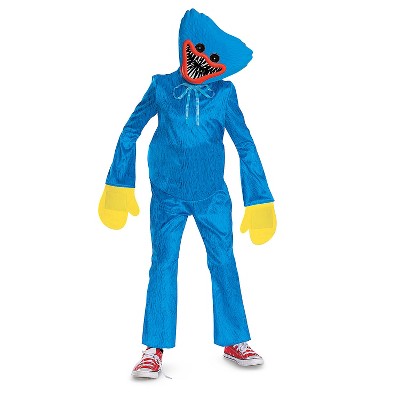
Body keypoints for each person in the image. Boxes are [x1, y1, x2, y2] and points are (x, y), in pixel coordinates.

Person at [98, 9, 277, 379]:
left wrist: (258, 200)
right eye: (200, 49)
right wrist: (119, 184)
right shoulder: (162, 86)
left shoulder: (224, 94)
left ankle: (235, 340)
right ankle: (153, 348)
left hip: (212, 195)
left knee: (223, 261)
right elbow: (130, 130)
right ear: (185, 43)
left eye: (213, 57)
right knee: (163, 263)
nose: (203, 59)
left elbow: (245, 145)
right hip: (167, 194)